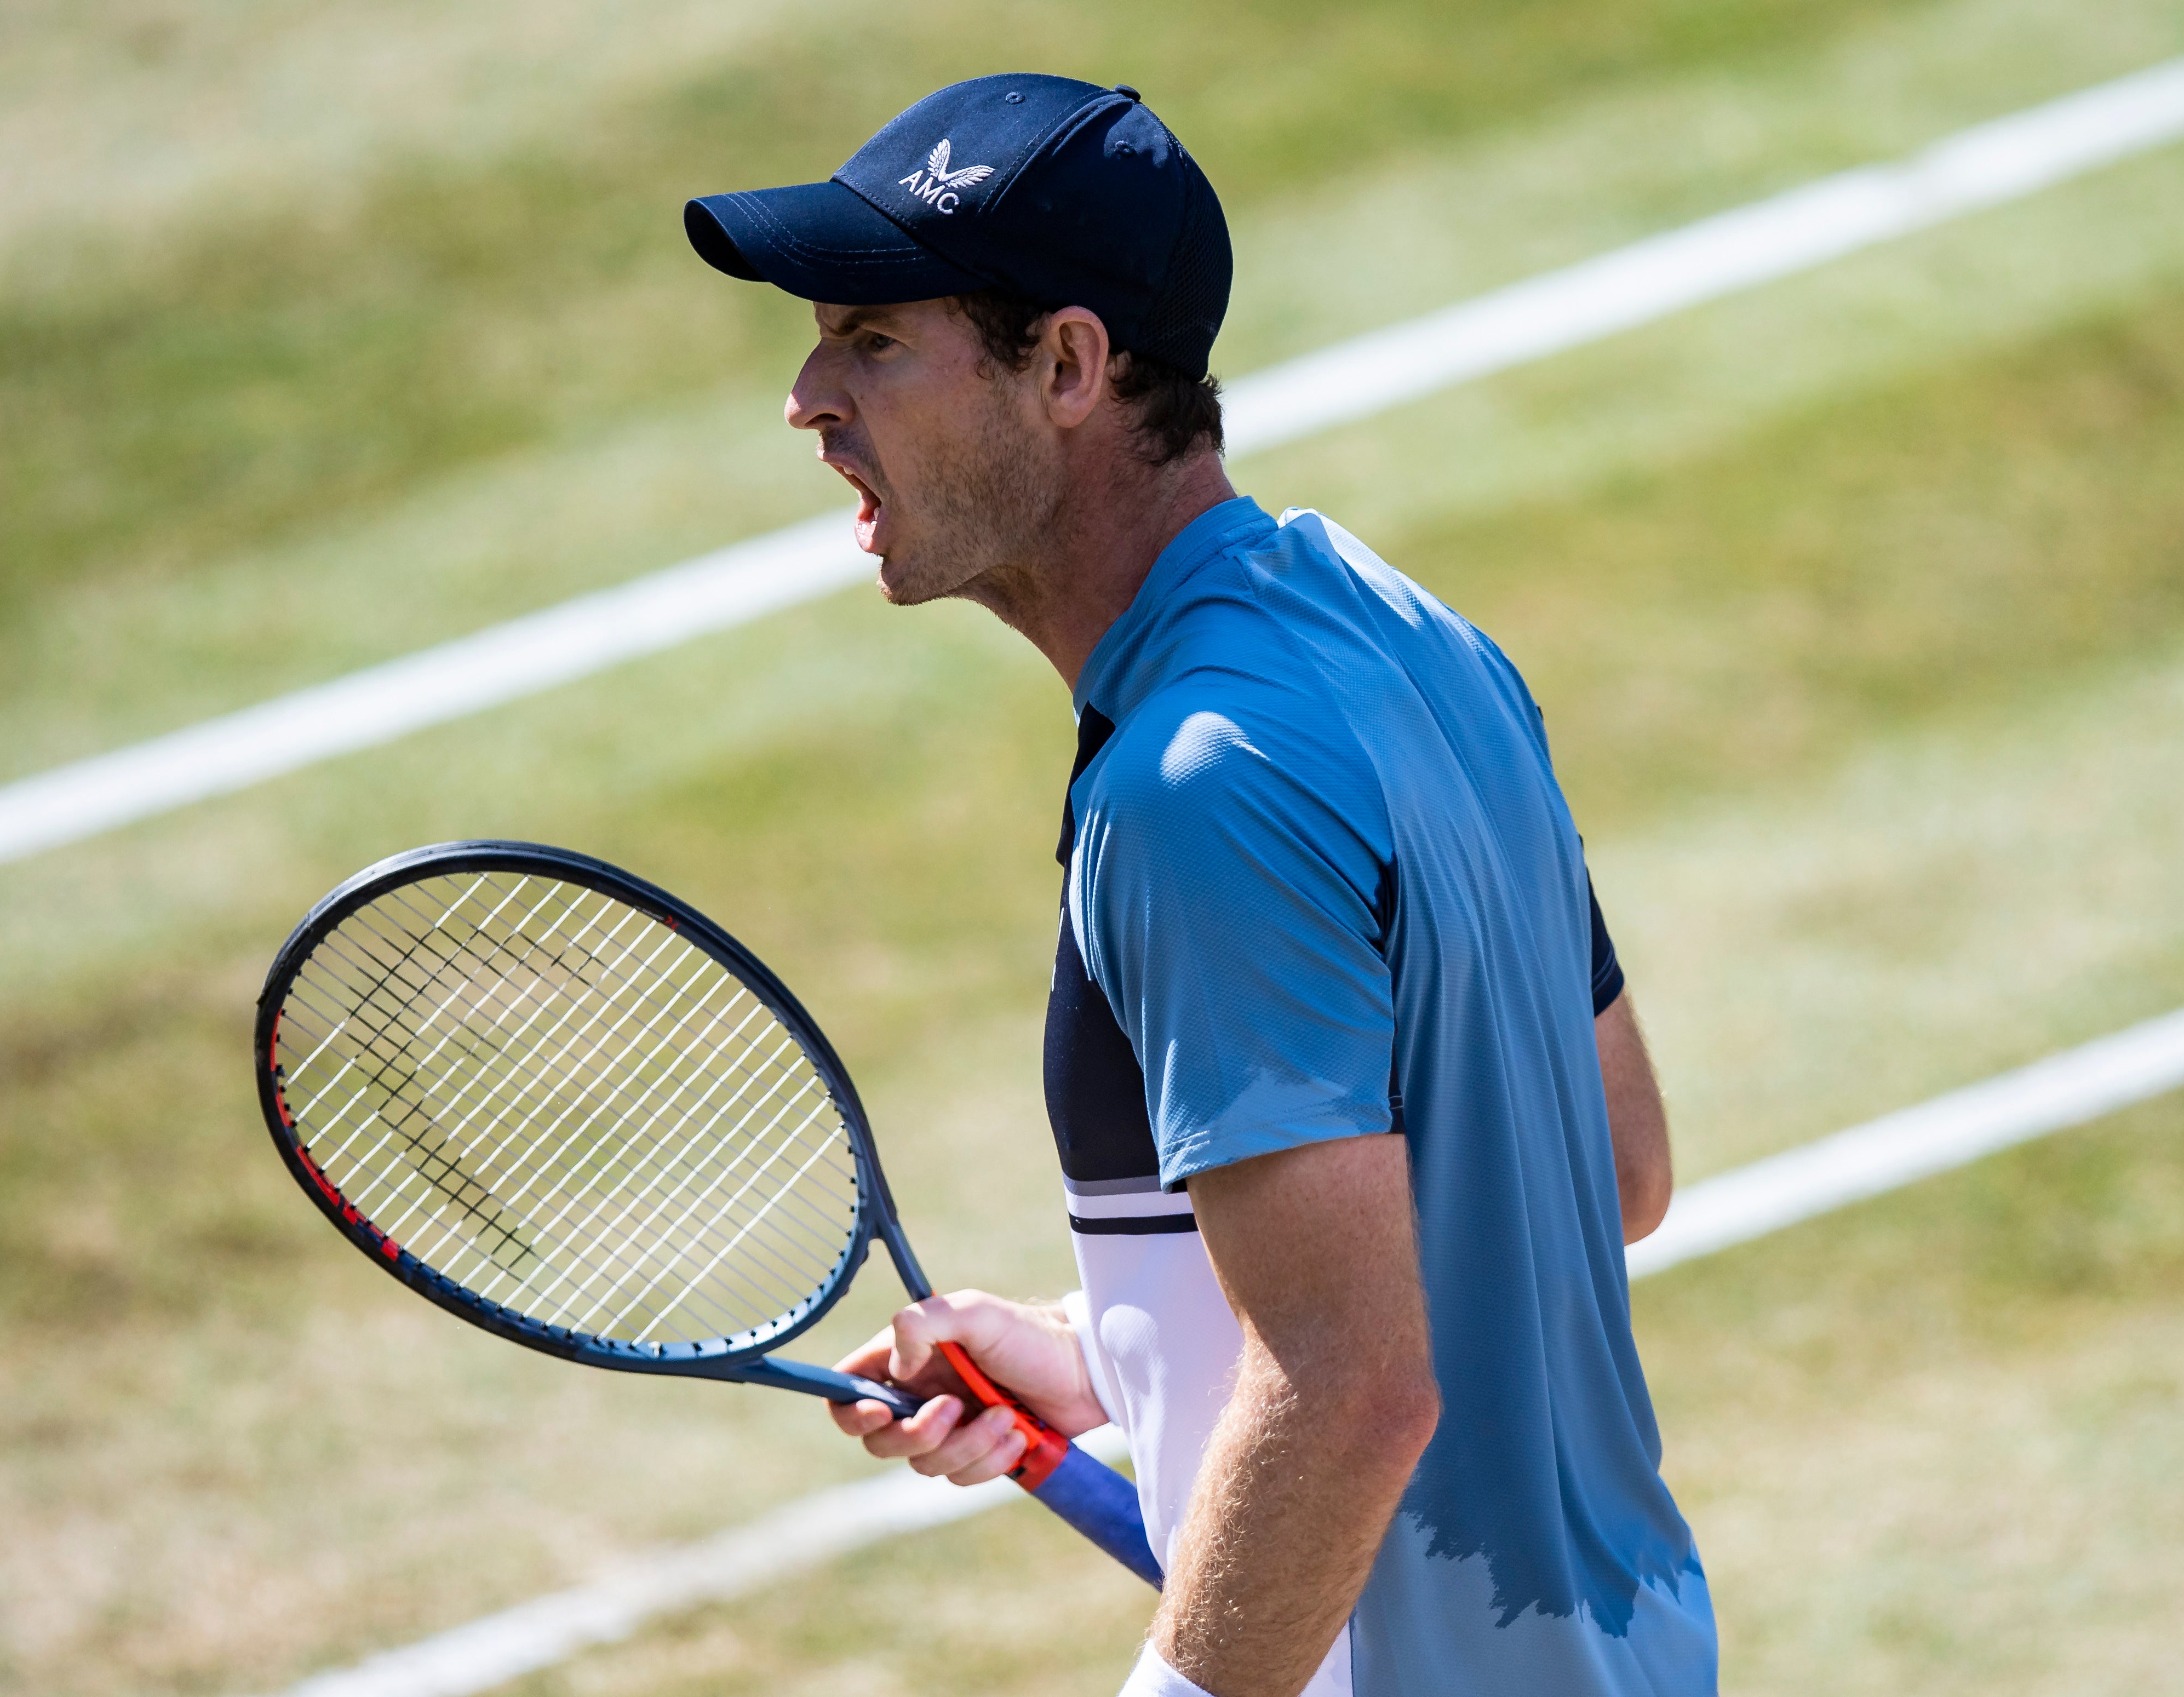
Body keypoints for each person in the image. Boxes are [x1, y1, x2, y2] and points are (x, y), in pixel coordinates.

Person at [684, 74, 1715, 1697]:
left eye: (874, 341)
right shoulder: (1408, 636)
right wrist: (1125, 1360)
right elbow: (1614, 1167)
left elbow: (1358, 1384)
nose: (809, 399)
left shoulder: (1193, 790)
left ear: (1071, 367)